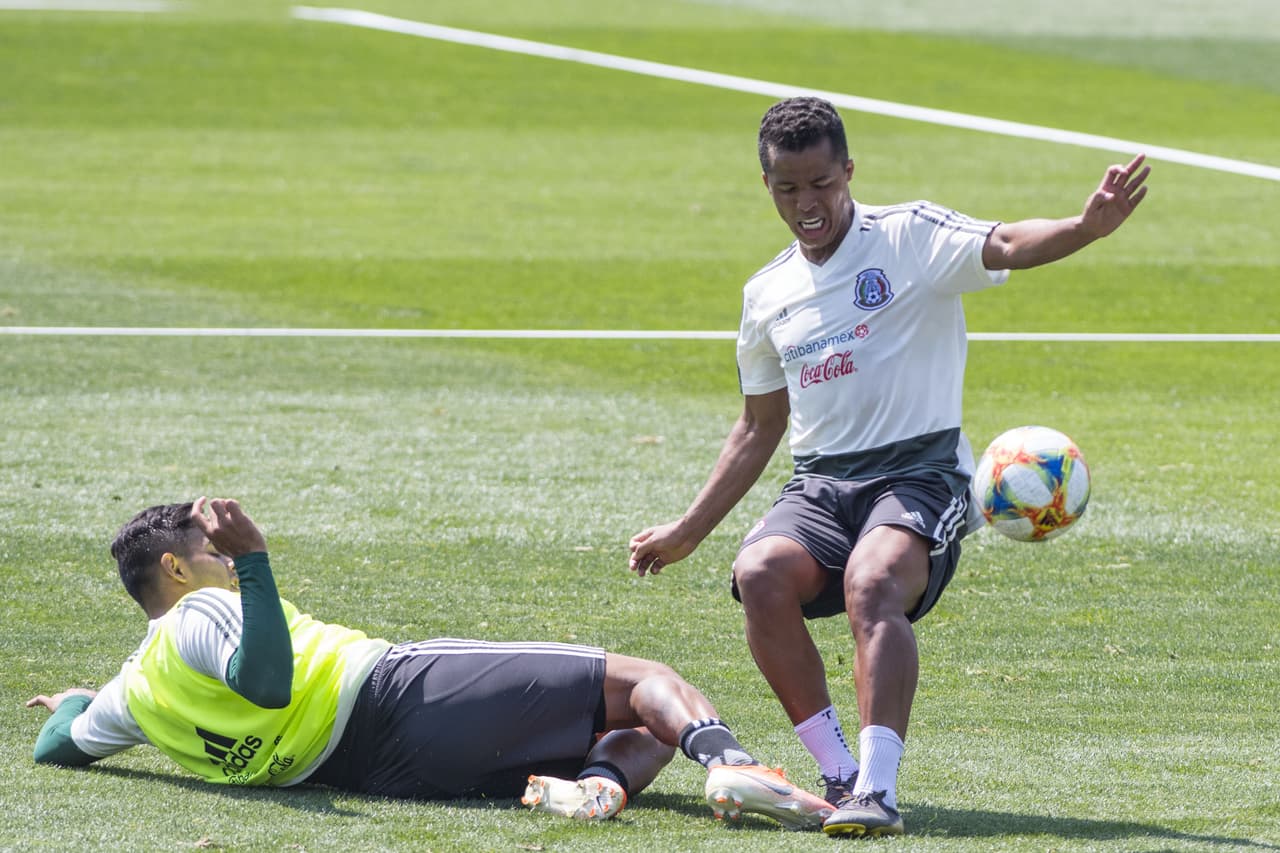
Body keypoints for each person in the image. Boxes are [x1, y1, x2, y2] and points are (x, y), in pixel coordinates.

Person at [628, 96, 1150, 838]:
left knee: (872, 581)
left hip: (921, 472)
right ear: (767, 185)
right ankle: (838, 770)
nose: (807, 204)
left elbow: (1003, 243)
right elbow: (758, 426)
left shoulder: (909, 235)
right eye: (787, 189)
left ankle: (877, 788)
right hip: (820, 482)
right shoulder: (766, 293)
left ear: (848, 171)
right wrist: (688, 530)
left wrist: (1083, 227)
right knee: (760, 575)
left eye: (820, 184)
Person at [28, 497, 836, 830]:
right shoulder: (202, 609)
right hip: (394, 694)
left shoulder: (132, 694)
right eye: (210, 552)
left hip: (375, 771)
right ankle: (731, 762)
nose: (225, 561)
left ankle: (600, 788)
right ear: (175, 571)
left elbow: (57, 746)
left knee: (634, 727)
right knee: (643, 681)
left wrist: (77, 701)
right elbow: (267, 684)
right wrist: (260, 559)